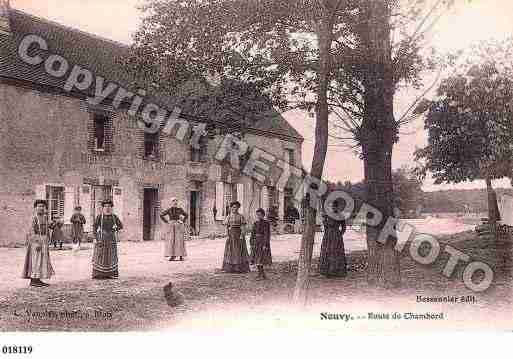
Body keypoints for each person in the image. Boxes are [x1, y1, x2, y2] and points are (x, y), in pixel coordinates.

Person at [21, 200, 55, 287]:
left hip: (44, 241)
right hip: (36, 243)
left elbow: (48, 227)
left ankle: (38, 279)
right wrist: (37, 242)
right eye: (39, 206)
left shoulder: (45, 217)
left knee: (42, 261)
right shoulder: (34, 218)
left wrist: (54, 224)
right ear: (35, 208)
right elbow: (31, 231)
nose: (41, 208)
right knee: (35, 261)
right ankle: (33, 280)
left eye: (43, 206)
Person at [92, 199, 123, 279]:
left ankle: (111, 274)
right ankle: (99, 274)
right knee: (100, 256)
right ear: (103, 208)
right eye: (105, 206)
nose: (107, 208)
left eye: (109, 206)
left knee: (111, 256)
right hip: (101, 238)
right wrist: (95, 238)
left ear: (111, 207)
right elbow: (95, 228)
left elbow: (120, 226)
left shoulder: (114, 217)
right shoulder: (100, 217)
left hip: (111, 239)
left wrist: (115, 228)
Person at [319, 202, 347, 278]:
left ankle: (337, 271)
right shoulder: (328, 215)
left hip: (335, 235)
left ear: (336, 207)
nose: (333, 208)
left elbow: (344, 227)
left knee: (336, 252)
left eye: (335, 207)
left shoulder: (340, 215)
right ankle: (327, 270)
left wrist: (340, 234)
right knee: (327, 251)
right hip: (328, 235)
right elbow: (325, 225)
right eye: (332, 207)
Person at [222, 201, 250, 273]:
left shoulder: (241, 216)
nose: (235, 209)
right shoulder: (228, 216)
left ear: (238, 208)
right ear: (231, 208)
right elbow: (226, 227)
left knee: (238, 250)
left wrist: (241, 235)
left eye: (236, 207)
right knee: (230, 251)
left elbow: (243, 227)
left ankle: (239, 268)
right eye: (233, 207)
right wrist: (227, 235)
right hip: (231, 235)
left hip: (239, 235)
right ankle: (230, 268)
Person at [250, 208, 272, 280]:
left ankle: (261, 275)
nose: (259, 216)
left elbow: (267, 234)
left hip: (262, 242)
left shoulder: (266, 223)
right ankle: (261, 274)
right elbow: (252, 233)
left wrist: (265, 244)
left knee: (261, 259)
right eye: (257, 215)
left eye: (260, 215)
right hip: (256, 242)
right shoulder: (255, 223)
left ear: (263, 215)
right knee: (256, 259)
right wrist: (251, 242)